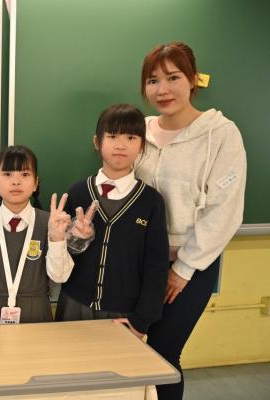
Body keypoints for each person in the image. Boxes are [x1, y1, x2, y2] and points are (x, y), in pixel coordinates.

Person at [135, 42, 246, 400]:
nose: (162, 89)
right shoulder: (139, 131)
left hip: (191, 266)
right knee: (127, 352)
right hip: (139, 260)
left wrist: (182, 270)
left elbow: (224, 210)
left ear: (193, 79)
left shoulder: (221, 134)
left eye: (173, 78)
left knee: (163, 354)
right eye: (153, 80)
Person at [55, 104, 169, 339]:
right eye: (112, 136)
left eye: (131, 137)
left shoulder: (151, 202)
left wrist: (142, 321)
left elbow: (156, 267)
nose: (121, 145)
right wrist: (75, 239)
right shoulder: (77, 193)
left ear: (142, 145)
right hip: (74, 304)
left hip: (124, 312)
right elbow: (60, 255)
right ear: (97, 142)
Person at [0, 145, 91, 325]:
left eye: (24, 174)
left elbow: (60, 276)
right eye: (8, 174)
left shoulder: (51, 223)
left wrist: (57, 239)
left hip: (38, 317)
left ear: (35, 183)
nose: (16, 182)